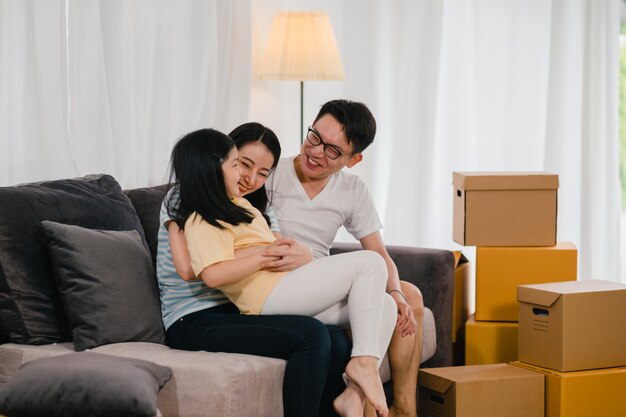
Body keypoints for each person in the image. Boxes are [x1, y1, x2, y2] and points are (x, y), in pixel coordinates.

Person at [167, 128, 397, 417]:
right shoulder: (198, 212)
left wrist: (292, 251)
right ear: (212, 168)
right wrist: (265, 254)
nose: (246, 177)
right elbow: (204, 271)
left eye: (262, 172)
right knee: (370, 263)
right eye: (238, 164)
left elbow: (278, 246)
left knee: (384, 305)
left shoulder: (245, 207)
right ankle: (363, 364)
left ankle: (353, 395)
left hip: (272, 287)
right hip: (239, 301)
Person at [263, 100, 425, 417]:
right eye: (314, 137)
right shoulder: (270, 174)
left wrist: (395, 291)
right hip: (283, 285)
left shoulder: (351, 189)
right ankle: (362, 397)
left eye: (333, 151)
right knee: (384, 297)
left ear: (354, 159)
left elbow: (379, 252)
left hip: (327, 282)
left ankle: (400, 407)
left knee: (407, 297)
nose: (316, 152)